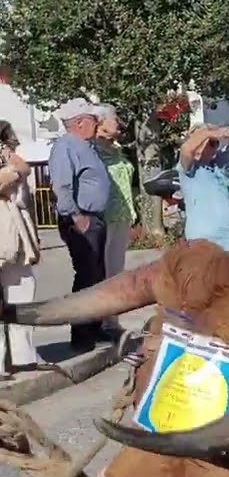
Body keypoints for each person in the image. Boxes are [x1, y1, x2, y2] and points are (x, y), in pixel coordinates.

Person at [48, 98, 111, 351]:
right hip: (80, 218)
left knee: (96, 277)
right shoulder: (66, 146)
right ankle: (82, 336)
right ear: (81, 122)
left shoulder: (86, 145)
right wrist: (76, 217)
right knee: (86, 276)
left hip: (93, 218)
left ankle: (93, 329)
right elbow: (62, 185)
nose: (97, 124)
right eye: (94, 120)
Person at [0, 121, 43, 367]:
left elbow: (25, 197)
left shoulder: (11, 160)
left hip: (14, 234)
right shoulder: (9, 162)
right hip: (6, 234)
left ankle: (21, 355)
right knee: (18, 291)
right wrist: (15, 171)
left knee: (22, 290)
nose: (14, 144)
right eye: (10, 140)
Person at [91, 105, 136, 332]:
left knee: (116, 270)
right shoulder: (93, 150)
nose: (118, 122)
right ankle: (105, 319)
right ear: (101, 123)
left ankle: (112, 318)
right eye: (114, 119)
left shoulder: (115, 148)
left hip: (122, 214)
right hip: (106, 214)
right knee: (106, 271)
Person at [178, 123, 229, 252]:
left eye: (215, 143)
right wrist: (207, 133)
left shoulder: (218, 163)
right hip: (203, 238)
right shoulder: (189, 168)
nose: (214, 147)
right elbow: (186, 149)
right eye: (209, 143)